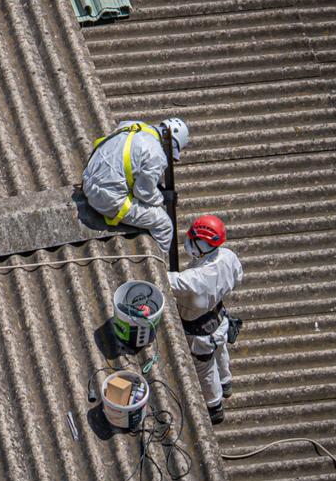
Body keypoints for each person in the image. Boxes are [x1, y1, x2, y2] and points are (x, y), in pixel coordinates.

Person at [168, 215, 243, 424]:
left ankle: (214, 406)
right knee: (221, 352)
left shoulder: (194, 278)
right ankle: (226, 383)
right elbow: (238, 277)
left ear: (200, 245)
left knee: (205, 370)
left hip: (199, 331)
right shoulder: (228, 256)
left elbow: (164, 280)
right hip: (219, 318)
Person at [82, 118, 189, 254]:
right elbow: (143, 193)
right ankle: (161, 264)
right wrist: (162, 198)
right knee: (164, 225)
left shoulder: (132, 125)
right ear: (172, 144)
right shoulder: (156, 154)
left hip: (88, 180)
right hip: (106, 199)